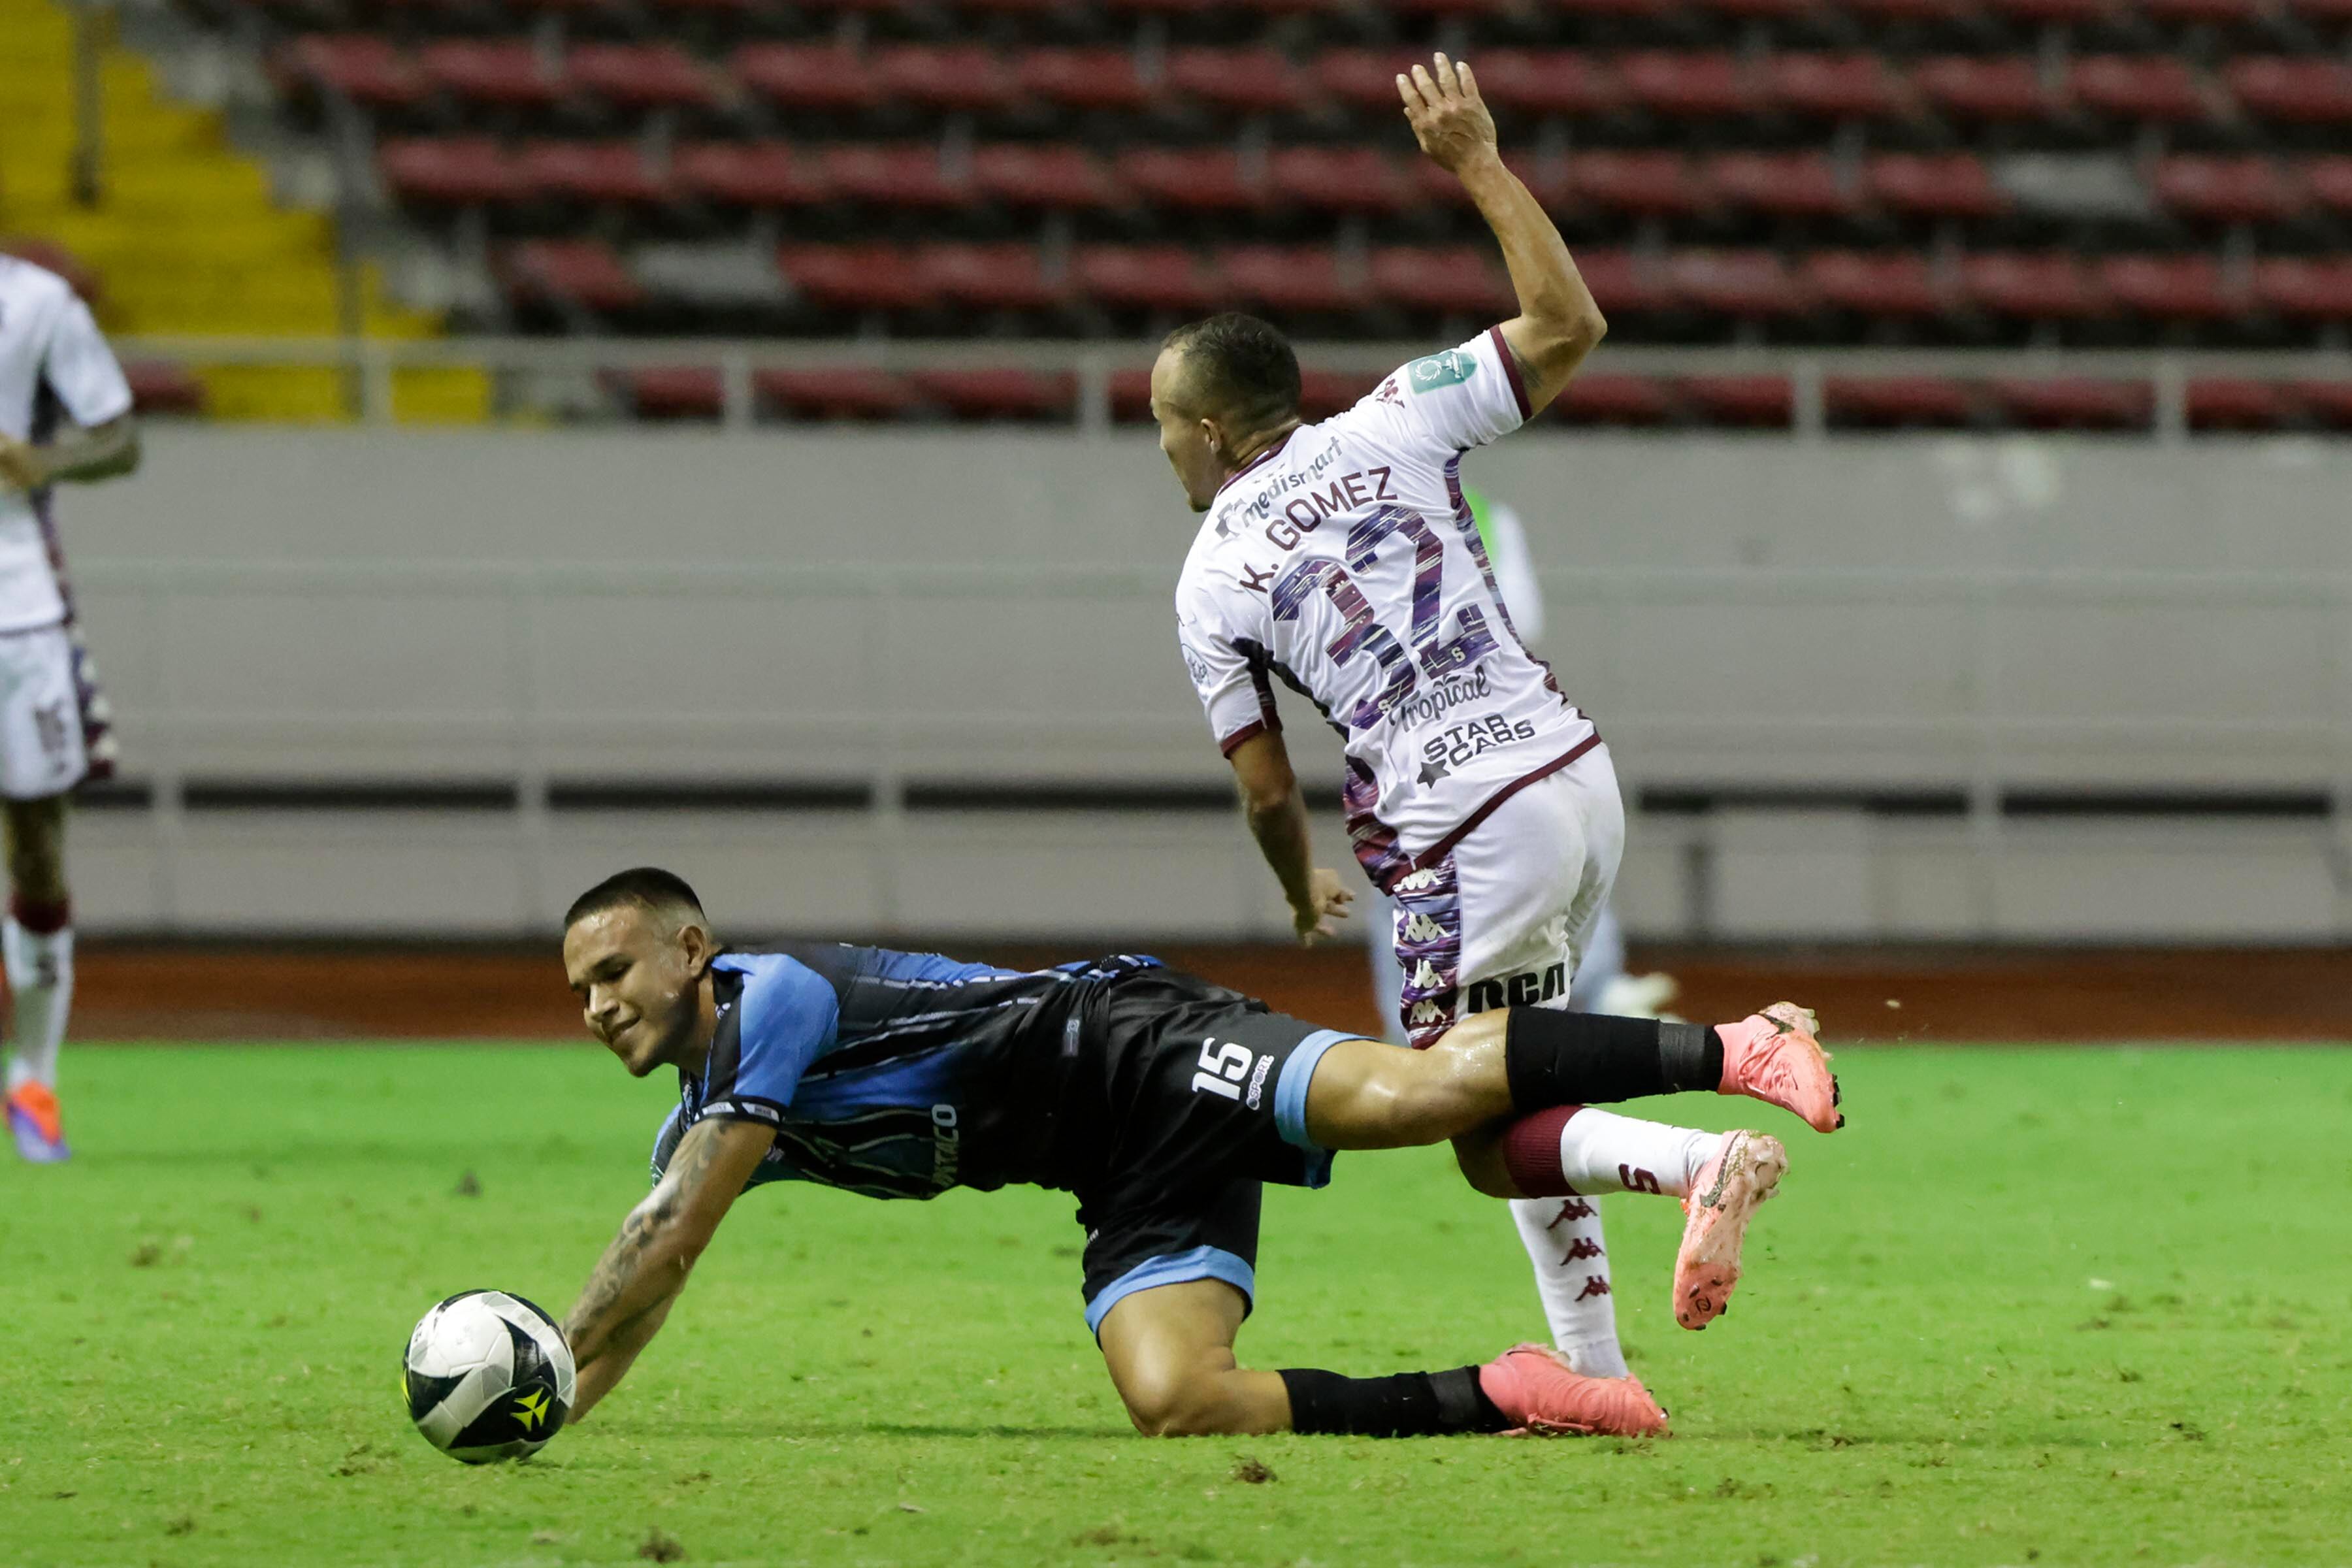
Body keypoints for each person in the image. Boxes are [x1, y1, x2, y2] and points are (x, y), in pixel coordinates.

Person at [1157, 54, 1840, 1383]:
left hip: (1460, 826)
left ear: (1202, 426)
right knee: (1509, 1093)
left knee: (1459, 1112)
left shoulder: (1206, 581)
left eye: (1160, 428)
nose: (1162, 452)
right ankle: (1594, 1369)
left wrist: (1296, 883)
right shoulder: (1397, 417)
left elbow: (1260, 782)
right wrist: (1479, 164)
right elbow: (1569, 323)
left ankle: (1720, 1096)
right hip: (1576, 776)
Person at [552, 868, 1840, 1439]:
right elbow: (664, 1271)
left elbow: (671, 1233)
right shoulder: (706, 1131)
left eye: (615, 969)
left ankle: (1736, 1047)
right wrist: (552, 1408)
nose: (600, 1002)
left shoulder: (771, 998)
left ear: (689, 952)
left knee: (1409, 1099)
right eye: (580, 991)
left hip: (1131, 1043)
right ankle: (1513, 1395)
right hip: (1113, 1170)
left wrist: (544, 1346)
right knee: (1177, 1399)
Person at [0, 250, 142, 1164]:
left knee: (39, 847)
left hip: (19, 617)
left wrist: (42, 457)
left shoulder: (35, 301)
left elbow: (119, 436)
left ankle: (34, 1081)